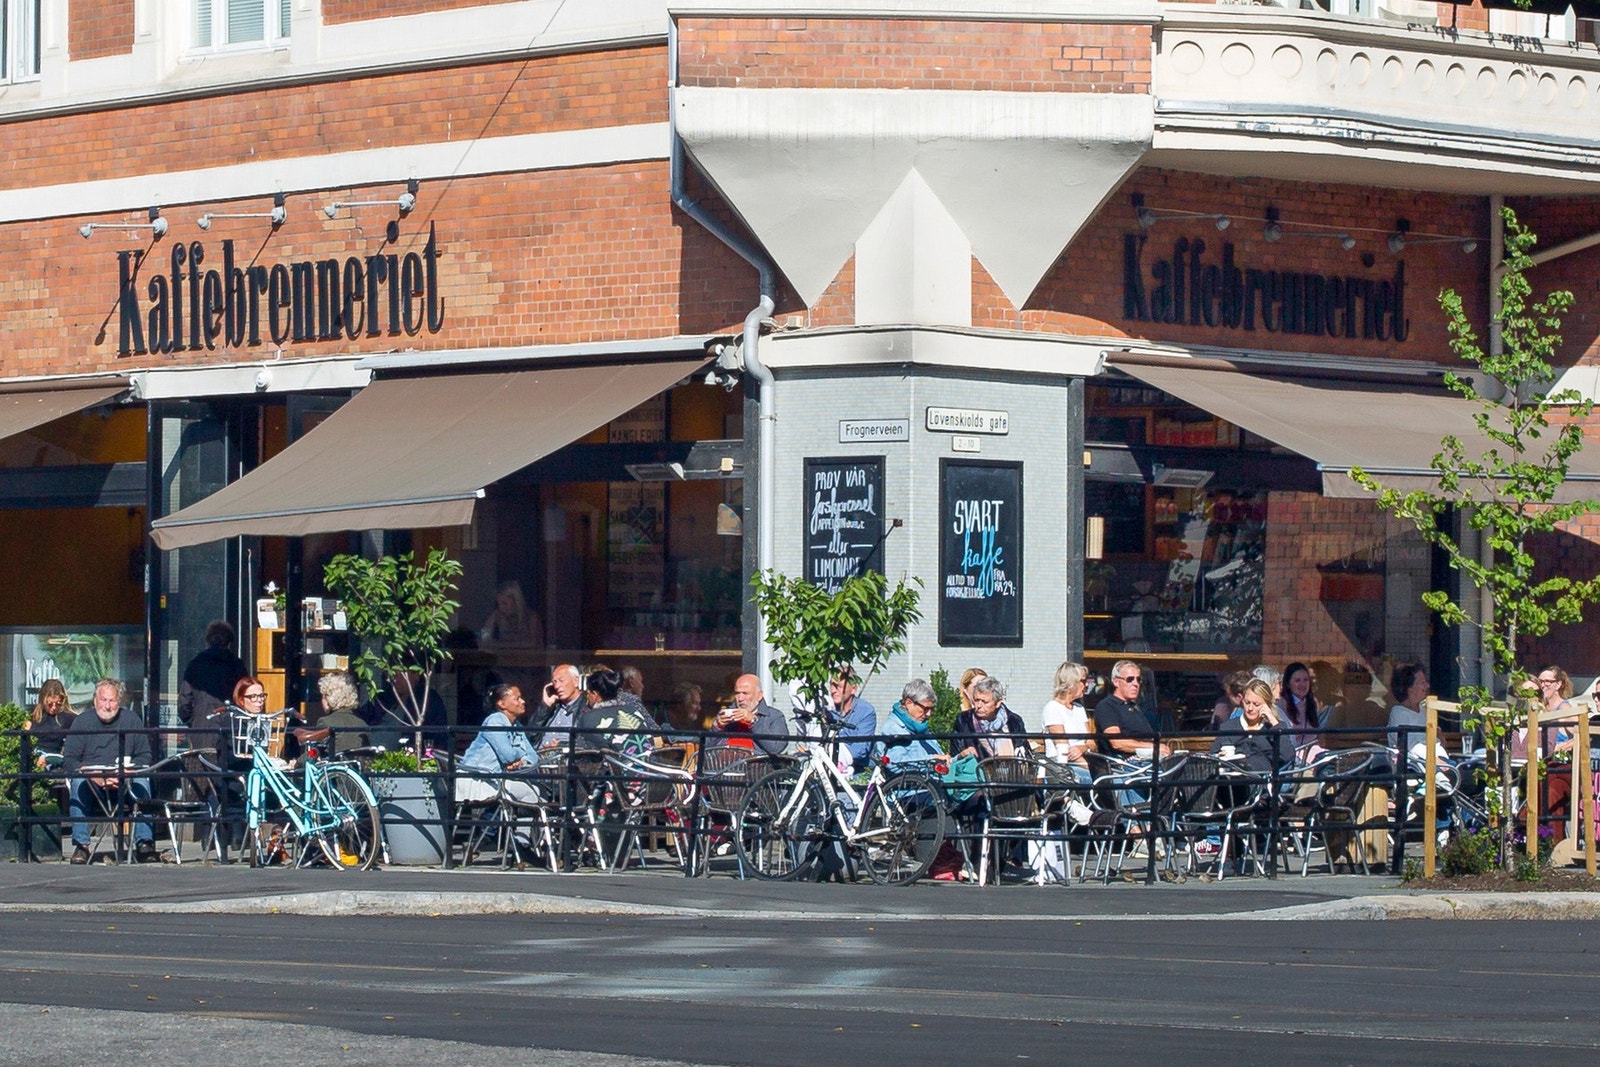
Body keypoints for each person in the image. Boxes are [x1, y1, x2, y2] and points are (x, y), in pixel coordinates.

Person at [61, 678, 157, 865]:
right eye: (103, 700)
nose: (107, 706)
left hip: (125, 781)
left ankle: (144, 843)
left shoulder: (131, 720)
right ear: (95, 700)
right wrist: (93, 775)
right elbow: (70, 760)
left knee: (143, 780)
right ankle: (81, 845)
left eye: (111, 700)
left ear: (119, 701)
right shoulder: (82, 722)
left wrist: (127, 772)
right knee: (78, 782)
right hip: (93, 783)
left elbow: (145, 756)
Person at [458, 683, 543, 806]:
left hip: (496, 780)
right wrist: (520, 753)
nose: (523, 701)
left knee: (537, 791)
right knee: (531, 792)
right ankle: (523, 825)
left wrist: (521, 762)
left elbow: (533, 757)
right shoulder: (494, 721)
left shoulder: (517, 725)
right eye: (517, 699)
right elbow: (509, 756)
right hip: (477, 781)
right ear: (502, 704)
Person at [794, 667, 878, 771]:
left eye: (839, 686)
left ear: (853, 689)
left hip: (859, 769)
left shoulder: (866, 711)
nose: (833, 691)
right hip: (825, 767)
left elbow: (860, 749)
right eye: (831, 685)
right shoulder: (826, 711)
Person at [1210, 678, 1294, 774]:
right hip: (1231, 783)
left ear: (1266, 705)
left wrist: (1273, 720)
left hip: (1261, 783)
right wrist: (1219, 757)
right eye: (1247, 702)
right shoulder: (1228, 727)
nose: (1250, 708)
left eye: (1256, 704)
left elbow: (1287, 756)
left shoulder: (1272, 728)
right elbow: (1212, 757)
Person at [1094, 659, 1170, 761]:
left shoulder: (1135, 707)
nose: (1136, 684)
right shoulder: (1106, 706)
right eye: (1130, 679)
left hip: (1149, 761)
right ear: (1116, 682)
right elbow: (1117, 742)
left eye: (1138, 679)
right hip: (1126, 766)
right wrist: (1153, 747)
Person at [574, 667, 660, 757]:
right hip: (648, 767)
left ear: (595, 695)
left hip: (619, 768)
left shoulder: (590, 718)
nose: (587, 697)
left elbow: (583, 752)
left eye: (588, 693)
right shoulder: (633, 710)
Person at [177, 620, 246, 726]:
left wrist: (191, 720)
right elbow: (245, 692)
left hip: (202, 724)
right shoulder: (237, 664)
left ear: (208, 641)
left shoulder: (196, 663)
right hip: (232, 724)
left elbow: (185, 699)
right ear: (229, 643)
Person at [361, 670, 449, 753]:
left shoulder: (428, 701)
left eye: (398, 673)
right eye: (391, 673)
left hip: (405, 758)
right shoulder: (384, 696)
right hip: (369, 755)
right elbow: (362, 717)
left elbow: (439, 738)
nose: (393, 678)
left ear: (416, 675)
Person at [952, 675, 1029, 761]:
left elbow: (1025, 753)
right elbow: (955, 754)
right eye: (976, 700)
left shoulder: (1014, 721)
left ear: (997, 703)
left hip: (1011, 772)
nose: (978, 706)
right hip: (977, 772)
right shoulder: (964, 720)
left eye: (985, 702)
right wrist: (962, 754)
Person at [709, 674, 788, 756]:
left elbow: (776, 748)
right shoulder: (726, 715)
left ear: (759, 695)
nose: (740, 699)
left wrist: (753, 722)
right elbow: (706, 749)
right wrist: (717, 727)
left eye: (745, 693)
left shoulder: (774, 716)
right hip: (724, 765)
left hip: (757, 766)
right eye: (737, 693)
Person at [877, 679, 947, 769]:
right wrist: (932, 759)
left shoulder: (921, 728)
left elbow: (942, 760)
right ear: (908, 703)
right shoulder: (892, 729)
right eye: (926, 709)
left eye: (931, 709)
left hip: (934, 779)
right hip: (913, 781)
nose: (929, 714)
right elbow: (895, 764)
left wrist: (959, 757)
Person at [1040, 662, 1092, 783]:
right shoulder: (1052, 708)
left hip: (1084, 761)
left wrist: (1082, 747)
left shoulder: (1079, 709)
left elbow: (1092, 742)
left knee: (1123, 779)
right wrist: (1092, 768)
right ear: (1071, 683)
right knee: (1110, 781)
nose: (1086, 685)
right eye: (1083, 681)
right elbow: (1063, 748)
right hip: (1062, 766)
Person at [530, 664, 585, 755]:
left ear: (576, 681)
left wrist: (560, 746)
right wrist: (545, 706)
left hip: (566, 761)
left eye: (561, 680)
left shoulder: (586, 707)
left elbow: (587, 742)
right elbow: (530, 735)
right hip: (539, 759)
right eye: (554, 682)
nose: (557, 686)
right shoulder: (553, 707)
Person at [478, 579, 544, 649]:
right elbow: (484, 637)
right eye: (498, 604)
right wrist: (491, 621)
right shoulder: (498, 615)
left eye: (504, 603)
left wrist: (498, 644)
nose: (501, 607)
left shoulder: (531, 618)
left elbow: (532, 643)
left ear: (516, 601)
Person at [24, 678, 76, 767]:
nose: (54, 707)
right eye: (49, 704)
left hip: (54, 758)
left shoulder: (69, 718)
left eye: (58, 704)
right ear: (43, 700)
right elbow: (25, 741)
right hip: (34, 756)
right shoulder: (33, 716)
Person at [315, 671, 370, 754]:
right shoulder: (362, 723)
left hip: (334, 765)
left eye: (323, 697)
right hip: (356, 766)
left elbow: (315, 752)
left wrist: (297, 762)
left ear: (329, 699)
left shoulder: (325, 722)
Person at [1386, 662, 1430, 754]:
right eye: (1422, 682)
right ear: (1410, 688)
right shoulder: (1398, 713)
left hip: (1436, 760)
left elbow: (1437, 740)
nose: (1427, 686)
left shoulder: (1424, 710)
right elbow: (1410, 747)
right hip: (1413, 765)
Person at [1279, 661, 1319, 746]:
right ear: (1288, 684)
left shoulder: (1312, 703)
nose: (1302, 684)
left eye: (1305, 680)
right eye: (1297, 680)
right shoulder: (1280, 706)